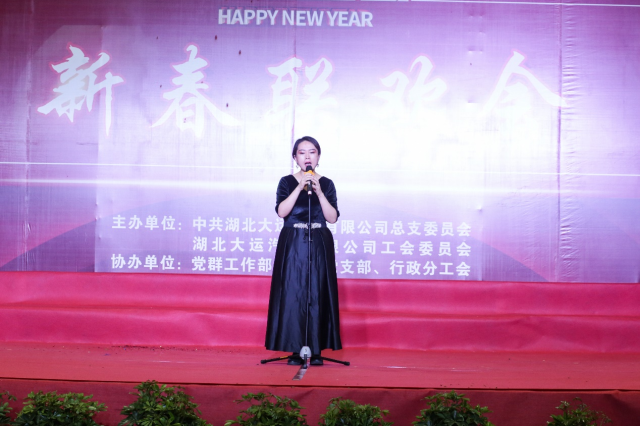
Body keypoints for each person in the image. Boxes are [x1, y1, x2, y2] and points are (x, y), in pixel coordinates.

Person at [265, 136, 342, 366]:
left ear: (318, 156)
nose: (307, 156)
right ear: (295, 157)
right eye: (302, 152)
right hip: (293, 242)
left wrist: (319, 193)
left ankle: (315, 349)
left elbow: (332, 218)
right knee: (293, 292)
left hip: (318, 241)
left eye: (312, 152)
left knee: (317, 292)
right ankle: (296, 348)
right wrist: (300, 187)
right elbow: (281, 212)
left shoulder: (326, 184)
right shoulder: (286, 182)